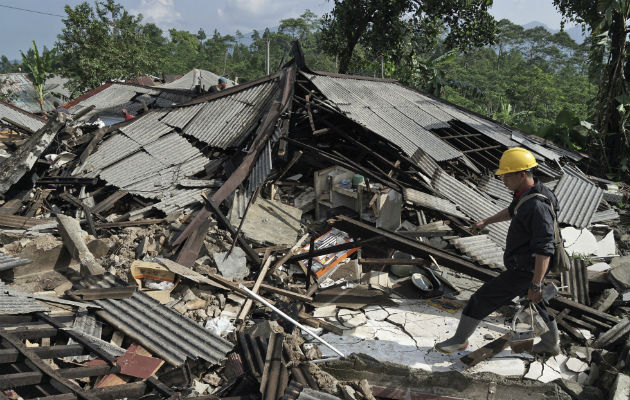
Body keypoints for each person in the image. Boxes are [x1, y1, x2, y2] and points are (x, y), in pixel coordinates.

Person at [434, 147, 561, 356]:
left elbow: (545, 248)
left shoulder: (538, 206)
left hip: (526, 268)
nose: (503, 181)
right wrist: (486, 221)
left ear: (522, 174)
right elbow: (514, 210)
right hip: (526, 266)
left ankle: (459, 340)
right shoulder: (530, 193)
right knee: (534, 304)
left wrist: (536, 283)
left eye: (506, 176)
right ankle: (551, 344)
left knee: (481, 299)